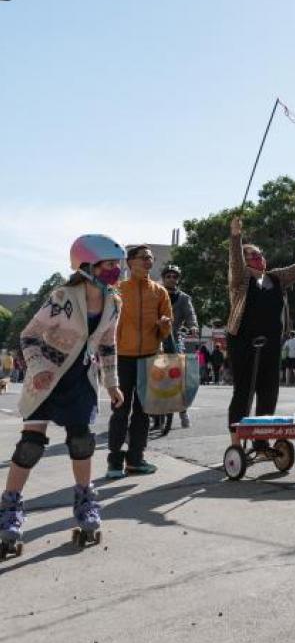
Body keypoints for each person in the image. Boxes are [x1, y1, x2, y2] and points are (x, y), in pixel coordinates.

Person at [1, 235, 125, 550]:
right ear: (86, 266)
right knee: (31, 445)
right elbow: (28, 336)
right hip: (46, 379)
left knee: (81, 441)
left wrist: (112, 383)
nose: (116, 271)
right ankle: (10, 509)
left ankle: (86, 505)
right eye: (109, 265)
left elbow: (108, 344)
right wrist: (38, 367)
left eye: (117, 264)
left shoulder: (114, 303)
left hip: (81, 380)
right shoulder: (62, 297)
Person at [225, 217, 295, 448]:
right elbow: (236, 262)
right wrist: (236, 236)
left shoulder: (276, 278)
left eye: (260, 254)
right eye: (253, 255)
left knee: (268, 393)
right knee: (243, 393)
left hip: (271, 344)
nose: (259, 258)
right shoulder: (240, 280)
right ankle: (236, 444)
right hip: (242, 342)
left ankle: (261, 443)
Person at [107, 245, 173, 478]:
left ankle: (136, 459)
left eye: (151, 258)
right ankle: (114, 462)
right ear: (130, 262)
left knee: (144, 412)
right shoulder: (116, 290)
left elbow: (167, 332)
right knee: (119, 410)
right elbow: (107, 325)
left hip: (149, 357)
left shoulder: (160, 292)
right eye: (144, 257)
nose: (148, 261)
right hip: (121, 357)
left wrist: (164, 324)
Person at [158, 263, 198, 429]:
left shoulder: (184, 298)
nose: (172, 279)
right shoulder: (156, 293)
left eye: (175, 277)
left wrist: (193, 326)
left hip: (175, 338)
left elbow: (190, 315)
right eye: (168, 276)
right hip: (155, 337)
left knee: (178, 376)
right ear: (163, 278)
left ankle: (183, 411)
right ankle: (151, 412)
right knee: (151, 373)